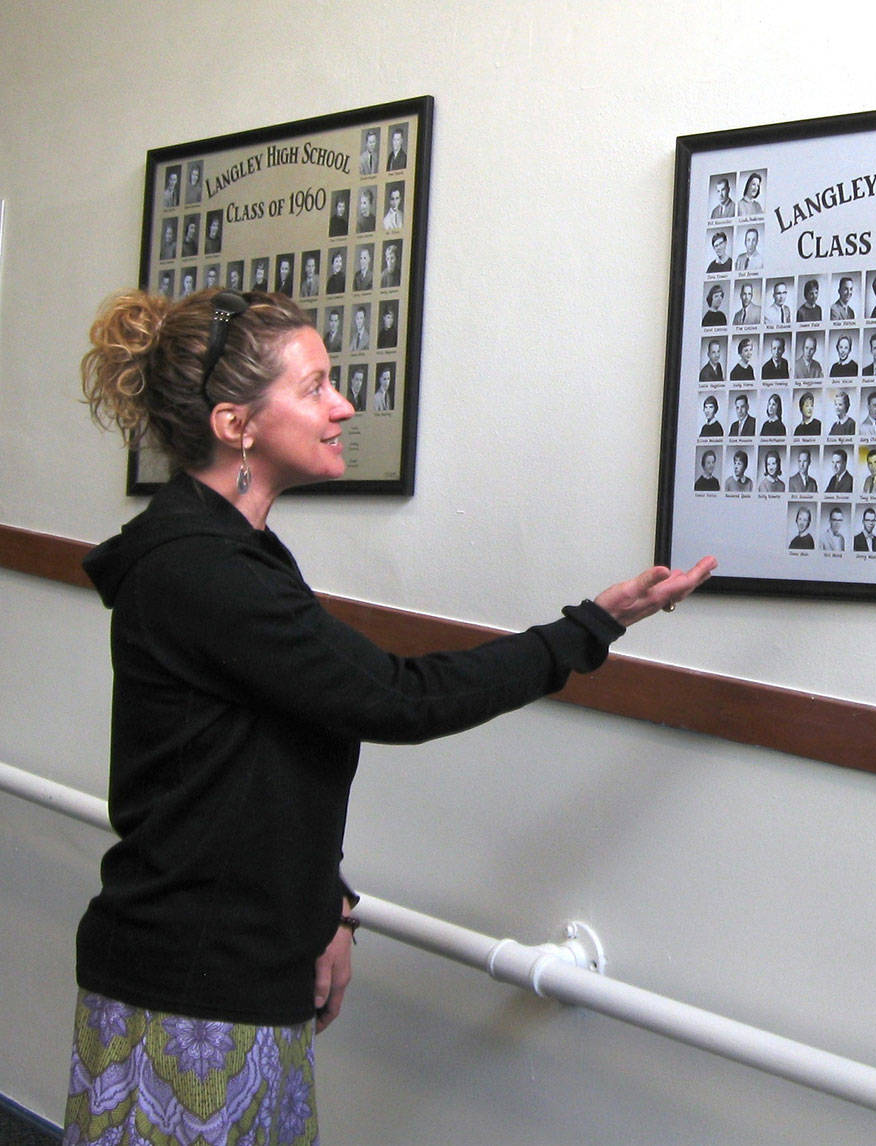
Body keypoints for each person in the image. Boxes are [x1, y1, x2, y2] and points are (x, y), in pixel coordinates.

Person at [70, 287, 715, 1144]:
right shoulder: (201, 569)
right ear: (236, 426)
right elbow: (398, 699)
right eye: (315, 388)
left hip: (238, 969)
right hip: (188, 986)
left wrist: (327, 905)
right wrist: (592, 627)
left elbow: (270, 754)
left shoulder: (234, 553)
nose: (342, 407)